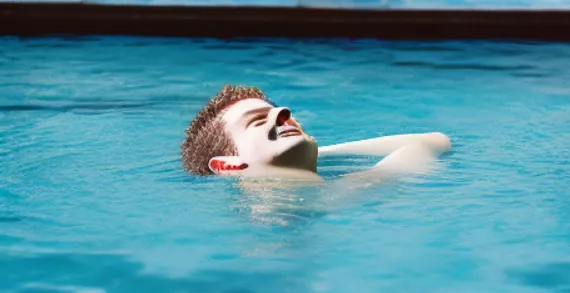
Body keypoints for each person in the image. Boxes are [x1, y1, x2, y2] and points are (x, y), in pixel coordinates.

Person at [181, 84, 451, 180]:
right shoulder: (294, 207)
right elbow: (426, 146)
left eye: (280, 113)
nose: (282, 113)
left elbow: (435, 140)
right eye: (257, 121)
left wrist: (307, 151)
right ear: (226, 165)